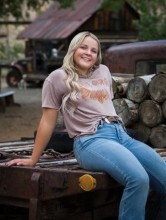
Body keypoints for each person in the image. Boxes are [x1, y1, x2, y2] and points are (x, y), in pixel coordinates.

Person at [6, 32, 166, 220]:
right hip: (91, 141)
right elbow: (47, 121)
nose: (88, 53)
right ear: (73, 49)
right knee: (138, 180)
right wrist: (33, 159)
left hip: (121, 135)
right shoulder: (57, 78)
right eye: (83, 47)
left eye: (93, 50)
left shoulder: (104, 71)